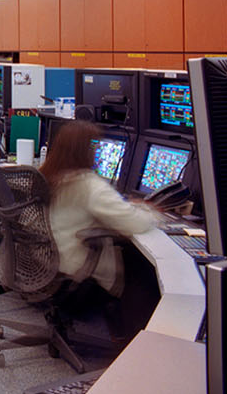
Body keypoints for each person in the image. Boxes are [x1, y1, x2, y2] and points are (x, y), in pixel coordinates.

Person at [40, 120, 156, 292]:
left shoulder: (48, 175)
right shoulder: (89, 186)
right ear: (87, 152)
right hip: (75, 265)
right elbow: (136, 224)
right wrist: (152, 211)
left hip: (44, 259)